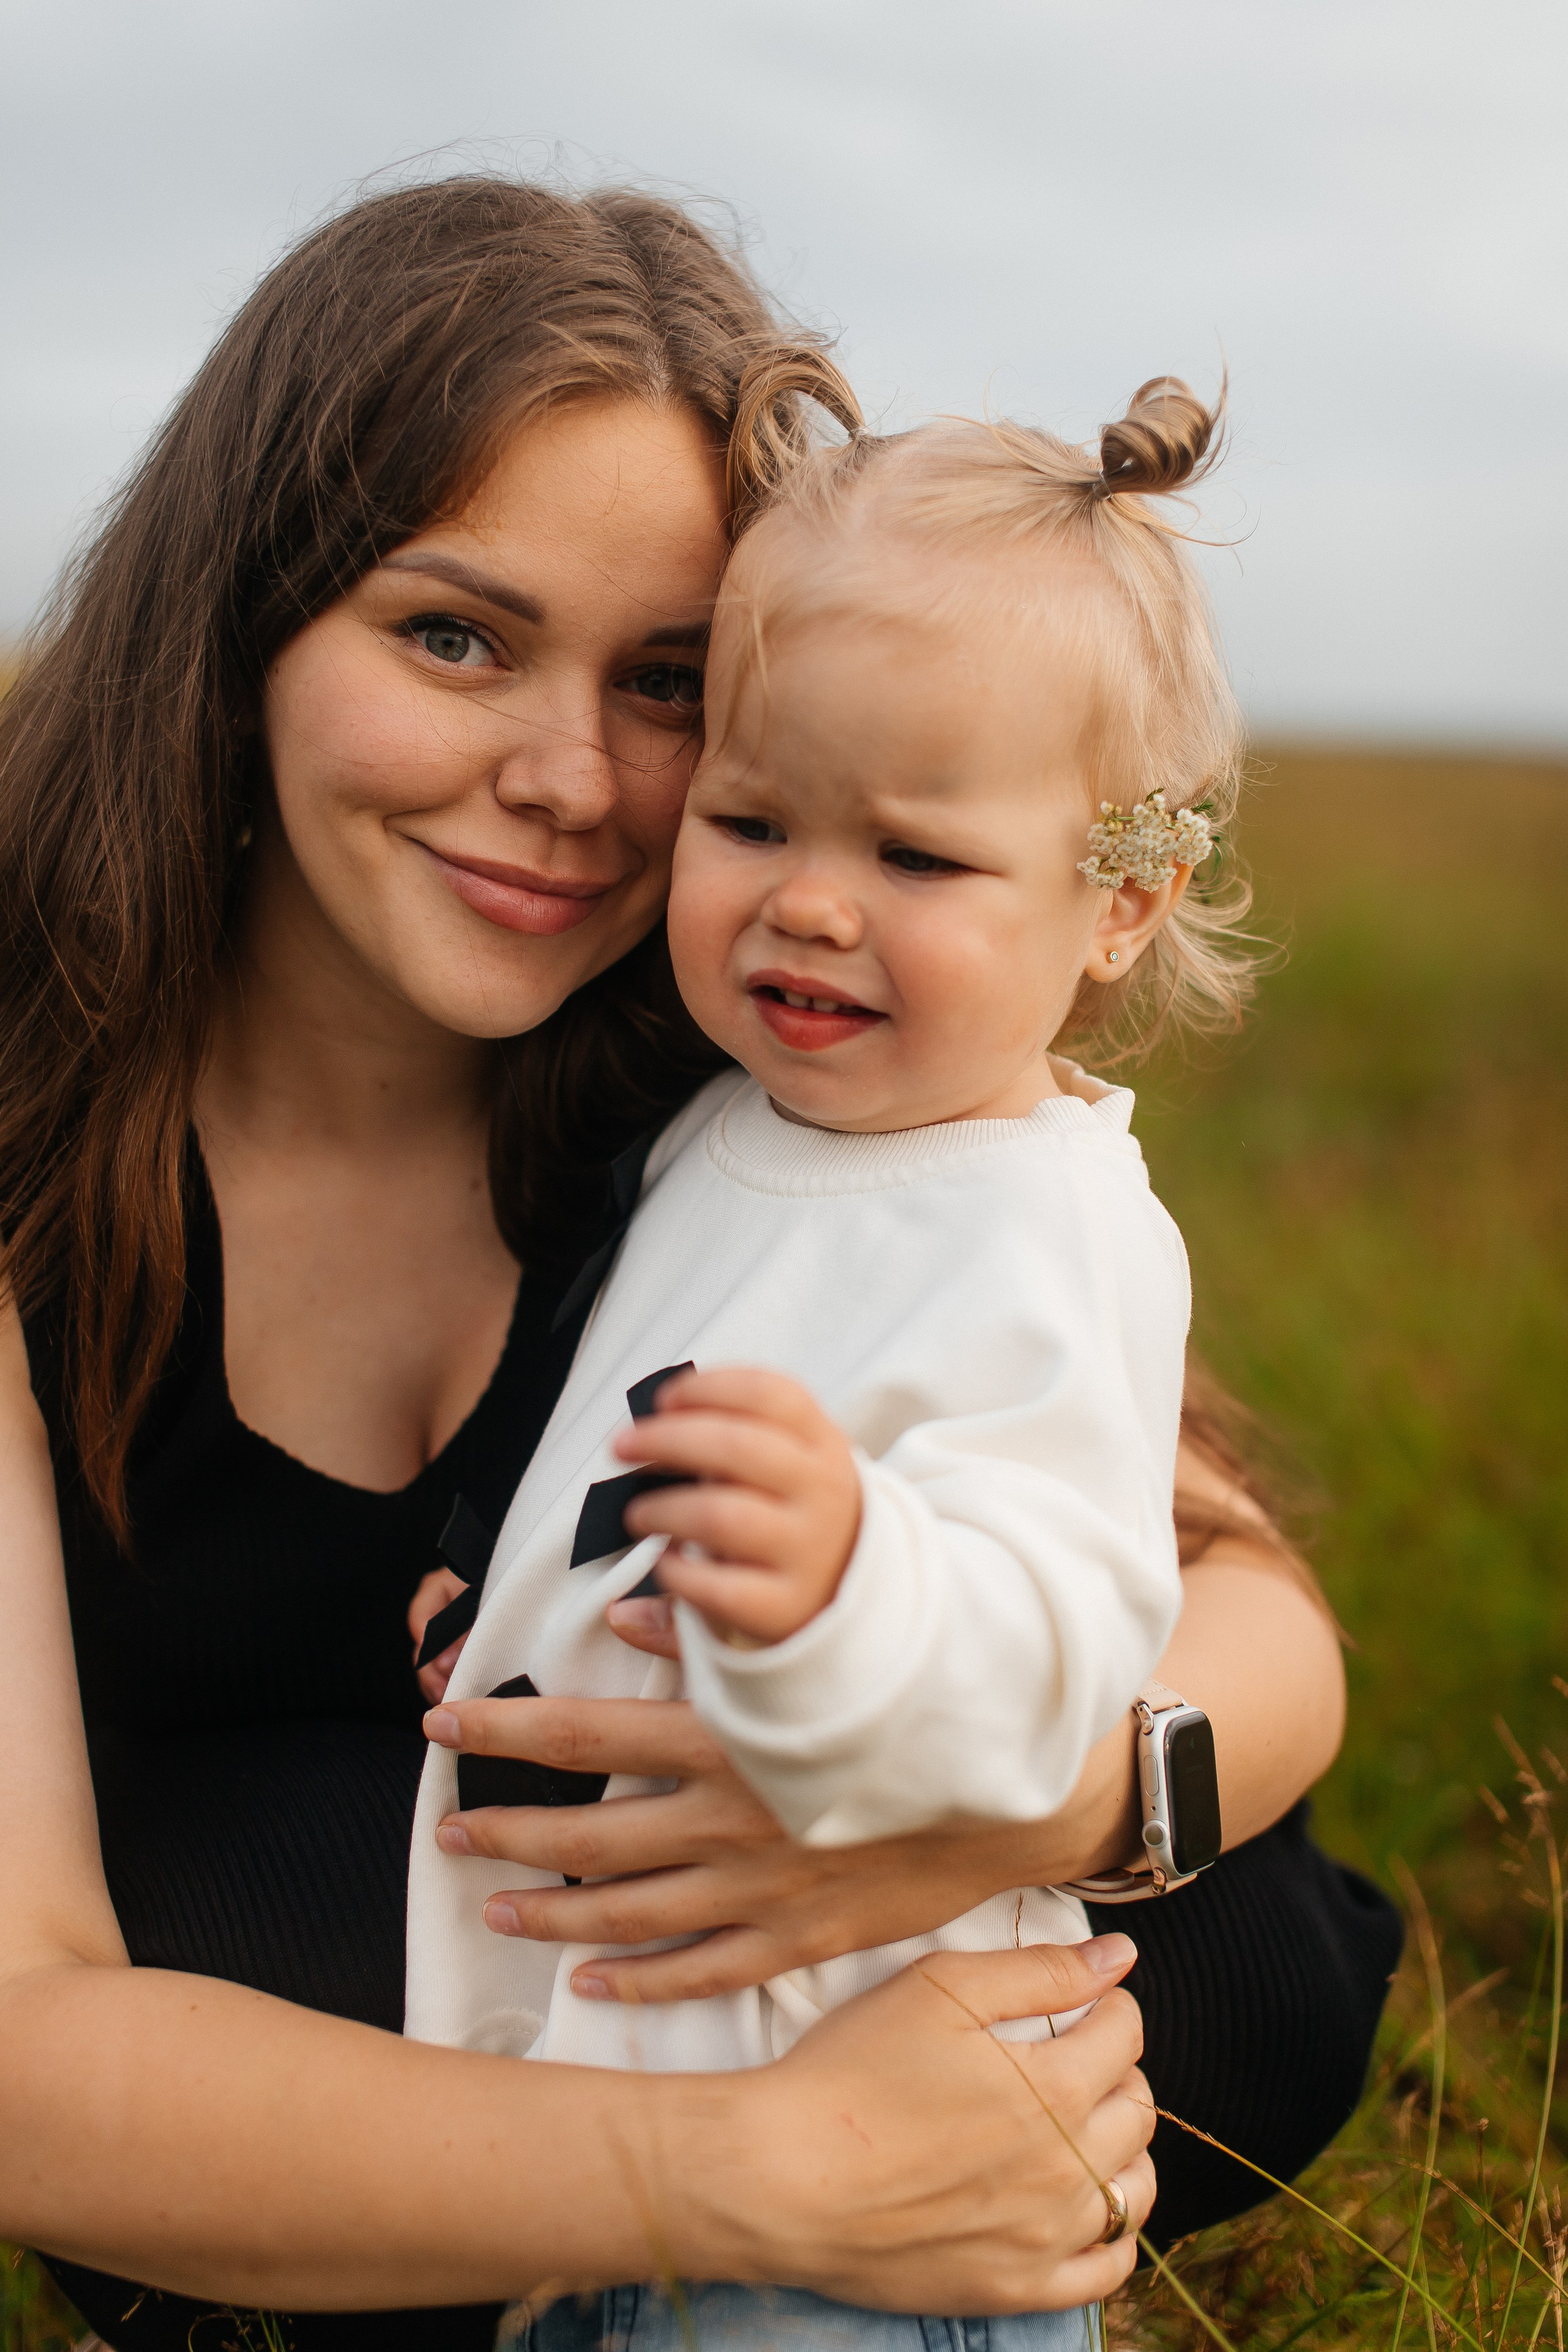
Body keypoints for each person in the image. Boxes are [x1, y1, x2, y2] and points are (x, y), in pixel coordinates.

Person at [0, 177, 1396, 2352]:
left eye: (664, 683)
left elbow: (1253, 1616)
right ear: (244, 621)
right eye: (452, 635)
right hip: (345, 1979)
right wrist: (767, 2170)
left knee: (1244, 1942)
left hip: (693, 1904)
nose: (570, 783)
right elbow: (18, 2038)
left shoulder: (744, 1050)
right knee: (278, 1927)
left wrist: (960, 1819)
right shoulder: (31, 1127)